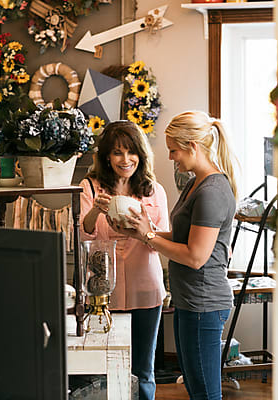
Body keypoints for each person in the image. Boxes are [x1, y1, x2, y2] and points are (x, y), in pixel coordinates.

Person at [109, 111, 238, 400]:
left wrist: (149, 236)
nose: (171, 157)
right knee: (195, 389)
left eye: (173, 150)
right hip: (189, 301)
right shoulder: (195, 184)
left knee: (205, 393)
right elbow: (181, 239)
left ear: (192, 145)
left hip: (203, 304)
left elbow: (195, 256)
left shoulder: (212, 191)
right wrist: (139, 232)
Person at [79, 120, 169, 400]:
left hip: (146, 288)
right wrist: (96, 210)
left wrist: (145, 230)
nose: (125, 159)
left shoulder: (154, 190)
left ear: (141, 156)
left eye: (131, 152)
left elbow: (163, 239)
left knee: (143, 369)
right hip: (104, 291)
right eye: (117, 152)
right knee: (102, 370)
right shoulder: (90, 186)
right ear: (107, 155)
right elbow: (84, 233)